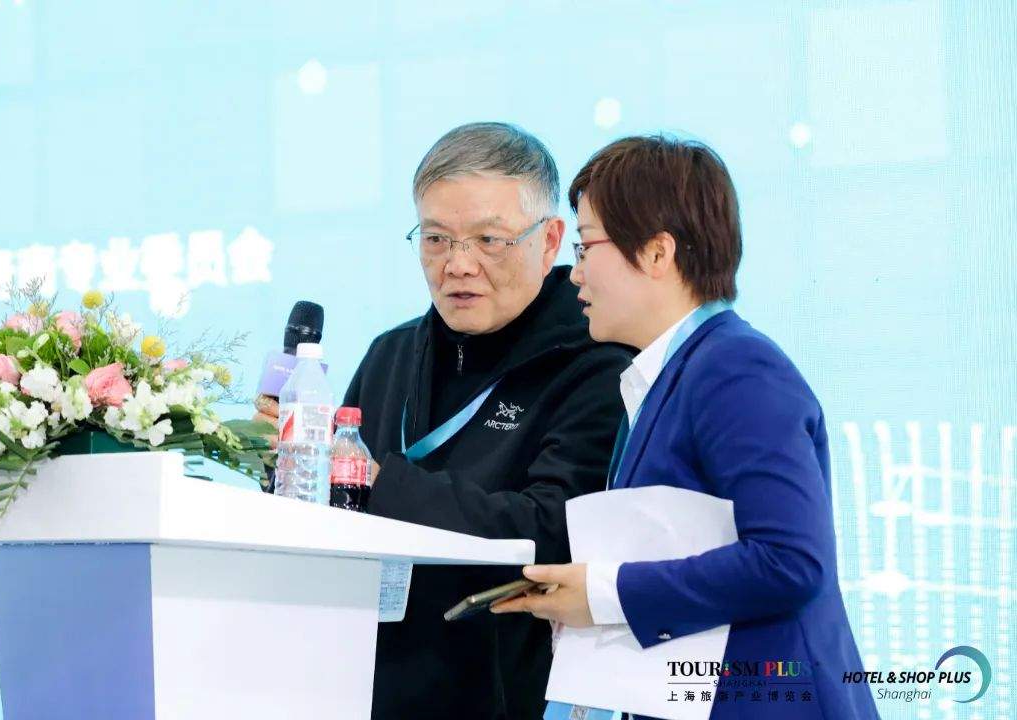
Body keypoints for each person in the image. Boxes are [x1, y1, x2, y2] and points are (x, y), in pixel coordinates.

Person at [492, 135, 879, 720]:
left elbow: (791, 561)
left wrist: (603, 594)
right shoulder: (671, 374)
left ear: (657, 253)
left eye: (587, 246)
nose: (575, 274)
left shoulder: (736, 367)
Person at [254, 122, 631, 719]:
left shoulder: (597, 362)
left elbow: (553, 528)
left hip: (513, 696)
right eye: (435, 239)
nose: (457, 264)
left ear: (550, 240)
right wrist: (293, 470)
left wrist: (379, 483)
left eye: (488, 240)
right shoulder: (391, 354)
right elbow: (339, 521)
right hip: (369, 689)